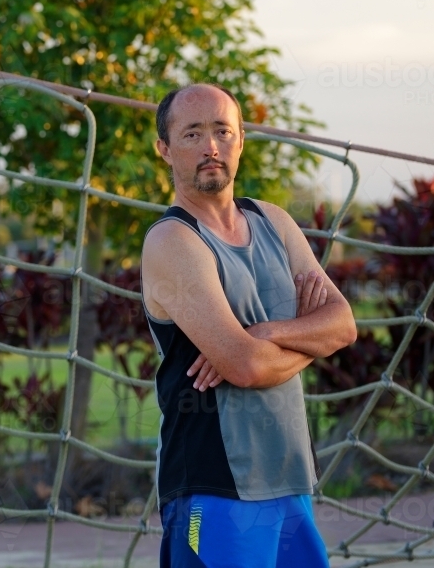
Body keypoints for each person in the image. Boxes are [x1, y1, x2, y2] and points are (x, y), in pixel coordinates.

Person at [140, 83, 357, 567]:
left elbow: (342, 325)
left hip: (290, 474)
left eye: (222, 131)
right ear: (164, 149)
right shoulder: (172, 241)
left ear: (241, 140)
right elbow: (242, 366)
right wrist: (303, 336)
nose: (210, 146)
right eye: (192, 133)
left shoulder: (274, 222)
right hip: (214, 486)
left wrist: (266, 334)